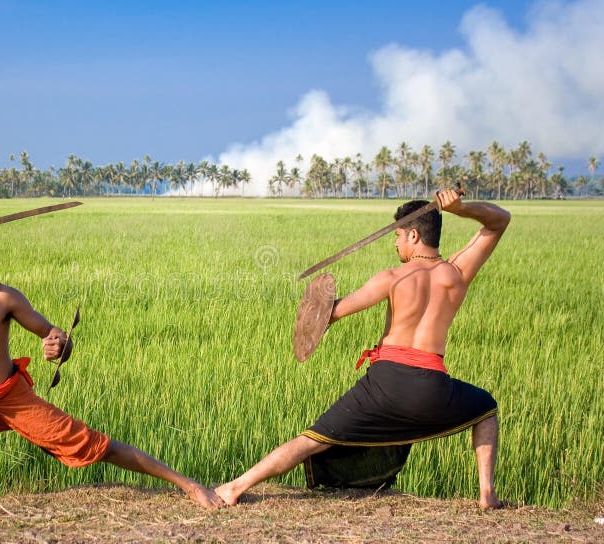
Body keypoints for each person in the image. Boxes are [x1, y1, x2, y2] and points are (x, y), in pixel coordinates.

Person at [0, 223, 223, 510]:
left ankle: (189, 486)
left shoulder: (4, 298)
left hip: (12, 397)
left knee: (96, 445)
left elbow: (53, 332)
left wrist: (59, 345)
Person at [215, 189, 510, 509]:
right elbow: (499, 221)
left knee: (312, 440)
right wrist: (462, 208)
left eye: (398, 235)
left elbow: (331, 314)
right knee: (486, 408)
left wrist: (316, 302)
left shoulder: (391, 278)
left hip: (385, 385)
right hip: (432, 388)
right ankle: (486, 494)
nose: (396, 243)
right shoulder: (457, 274)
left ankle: (235, 487)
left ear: (413, 234)